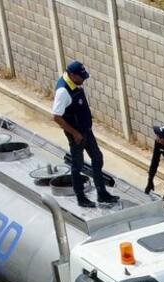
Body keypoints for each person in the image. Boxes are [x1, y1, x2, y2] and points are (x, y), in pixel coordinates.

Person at [52, 61, 115, 208]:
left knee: (97, 158)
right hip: (76, 135)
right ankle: (81, 197)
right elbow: (56, 116)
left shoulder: (74, 84)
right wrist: (74, 133)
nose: (83, 80)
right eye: (81, 77)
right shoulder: (63, 91)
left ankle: (102, 193)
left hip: (86, 130)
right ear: (72, 75)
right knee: (78, 165)